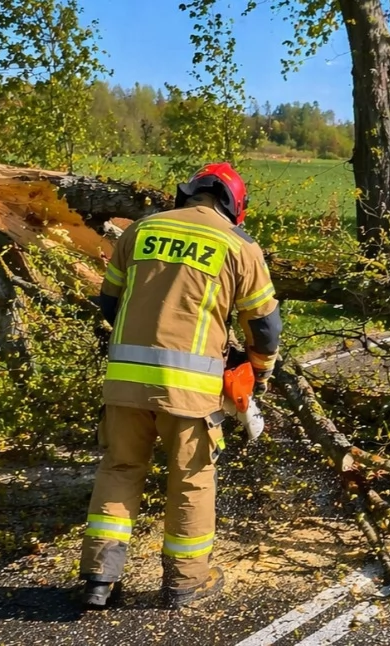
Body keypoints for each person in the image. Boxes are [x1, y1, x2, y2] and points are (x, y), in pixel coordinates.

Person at [80, 162, 281, 609]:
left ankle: (99, 578)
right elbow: (264, 330)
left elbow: (110, 302)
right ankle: (186, 583)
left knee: (120, 468)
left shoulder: (141, 231)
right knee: (190, 479)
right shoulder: (239, 245)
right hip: (190, 394)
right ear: (234, 206)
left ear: (189, 193)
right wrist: (258, 374)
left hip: (125, 381)